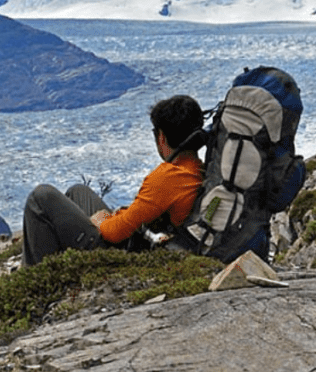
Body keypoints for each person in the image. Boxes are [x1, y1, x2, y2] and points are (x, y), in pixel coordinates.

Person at [21, 95, 204, 267]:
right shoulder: (196, 167)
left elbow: (114, 233)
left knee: (41, 197)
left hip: (122, 252)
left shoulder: (168, 178)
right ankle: (58, 260)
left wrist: (102, 221)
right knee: (78, 192)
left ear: (161, 137)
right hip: (146, 237)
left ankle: (34, 278)